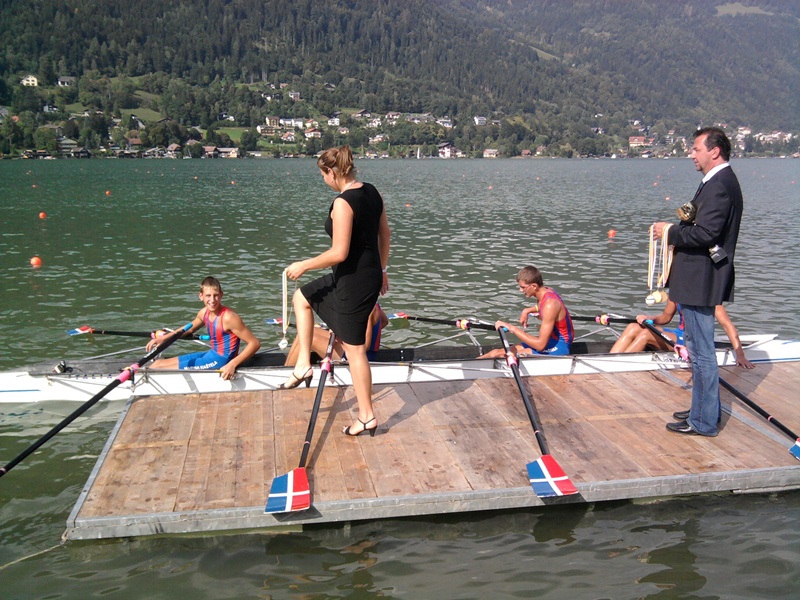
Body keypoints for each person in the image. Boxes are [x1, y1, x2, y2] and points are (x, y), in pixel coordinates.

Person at [283, 145, 391, 438]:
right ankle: (303, 365)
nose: (323, 180)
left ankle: (367, 416)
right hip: (364, 276)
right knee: (302, 297)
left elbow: (339, 252)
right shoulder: (372, 191)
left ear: (332, 172)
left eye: (323, 175)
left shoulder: (343, 203)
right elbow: (385, 234)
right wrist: (382, 270)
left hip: (354, 282)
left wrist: (304, 264)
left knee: (355, 350)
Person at [653, 127, 743, 437]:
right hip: (696, 277)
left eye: (696, 149)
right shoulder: (715, 182)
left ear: (714, 151)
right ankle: (701, 409)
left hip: (701, 278)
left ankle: (703, 421)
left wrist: (669, 231)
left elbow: (706, 234)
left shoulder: (720, 185)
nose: (691, 154)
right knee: (696, 348)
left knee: (702, 352)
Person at [146, 277, 261, 380]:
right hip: (211, 354)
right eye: (208, 296)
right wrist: (164, 338)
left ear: (221, 295)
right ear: (201, 296)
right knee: (158, 363)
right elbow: (189, 329)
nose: (212, 300)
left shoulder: (229, 318)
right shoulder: (203, 313)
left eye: (216, 295)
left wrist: (232, 364)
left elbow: (254, 343)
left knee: (159, 370)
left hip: (221, 361)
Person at [610, 300, 754, 369]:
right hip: (679, 333)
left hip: (693, 338)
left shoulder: (710, 298)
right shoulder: (677, 293)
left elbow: (728, 326)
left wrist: (740, 355)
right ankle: (611, 360)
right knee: (633, 327)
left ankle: (618, 367)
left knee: (646, 334)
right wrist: (649, 318)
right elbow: (665, 317)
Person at [478, 265, 574, 359]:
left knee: (501, 357)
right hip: (550, 341)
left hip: (559, 347)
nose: (520, 290)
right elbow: (542, 306)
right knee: (495, 353)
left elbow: (540, 345)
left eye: (523, 287)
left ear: (534, 286)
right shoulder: (546, 291)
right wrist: (527, 310)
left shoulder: (550, 305)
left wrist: (513, 328)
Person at [284, 303, 389, 366]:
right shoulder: (373, 301)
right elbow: (384, 321)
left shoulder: (366, 309)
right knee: (306, 332)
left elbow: (365, 346)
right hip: (353, 349)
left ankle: (286, 373)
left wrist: (342, 338)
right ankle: (290, 367)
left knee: (308, 339)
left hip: (361, 358)